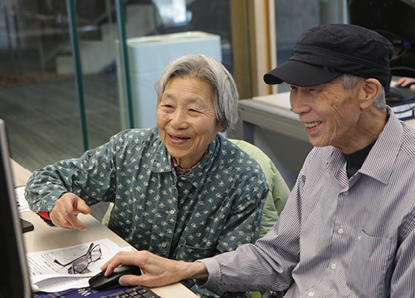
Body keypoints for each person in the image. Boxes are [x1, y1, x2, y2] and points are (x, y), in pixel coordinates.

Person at [101, 24, 415, 297]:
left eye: (312, 90)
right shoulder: (322, 157)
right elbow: (277, 256)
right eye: (294, 89)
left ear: (366, 92)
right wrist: (189, 269)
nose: (296, 105)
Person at [25, 54, 269, 297]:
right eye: (168, 106)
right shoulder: (129, 150)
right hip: (118, 288)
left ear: (221, 121)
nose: (176, 121)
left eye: (193, 110)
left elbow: (230, 278)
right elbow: (45, 179)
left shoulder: (244, 179)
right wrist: (57, 202)